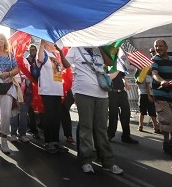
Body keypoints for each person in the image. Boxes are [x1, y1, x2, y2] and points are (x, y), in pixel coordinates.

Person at [68, 44, 124, 175]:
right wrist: (59, 51)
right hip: (83, 93)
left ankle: (108, 162)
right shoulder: (75, 49)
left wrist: (101, 46)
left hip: (102, 94)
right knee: (86, 128)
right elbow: (65, 64)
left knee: (101, 129)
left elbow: (110, 62)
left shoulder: (98, 49)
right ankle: (86, 161)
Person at [33, 41, 70, 155]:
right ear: (47, 43)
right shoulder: (43, 53)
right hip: (47, 89)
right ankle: (48, 141)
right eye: (53, 42)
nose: (55, 43)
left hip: (57, 90)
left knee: (56, 116)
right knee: (49, 116)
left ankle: (55, 140)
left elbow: (66, 66)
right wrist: (42, 45)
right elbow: (39, 60)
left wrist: (60, 52)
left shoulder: (55, 55)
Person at [106, 63, 138, 144]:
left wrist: (125, 82)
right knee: (113, 115)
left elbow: (123, 76)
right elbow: (109, 77)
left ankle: (126, 136)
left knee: (126, 114)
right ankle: (110, 135)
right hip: (112, 93)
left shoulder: (119, 64)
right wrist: (117, 68)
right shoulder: (107, 65)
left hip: (122, 92)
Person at [135, 68, 159, 133]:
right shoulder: (148, 77)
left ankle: (140, 126)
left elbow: (137, 87)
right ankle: (156, 127)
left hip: (141, 95)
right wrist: (149, 96)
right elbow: (147, 86)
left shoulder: (139, 78)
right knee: (152, 111)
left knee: (142, 111)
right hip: (148, 95)